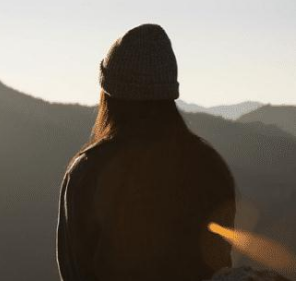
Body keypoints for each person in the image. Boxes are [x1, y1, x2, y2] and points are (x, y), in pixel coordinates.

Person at [56, 24, 236, 281]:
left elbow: (74, 271)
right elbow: (219, 266)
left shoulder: (87, 172)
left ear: (109, 95)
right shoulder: (210, 168)